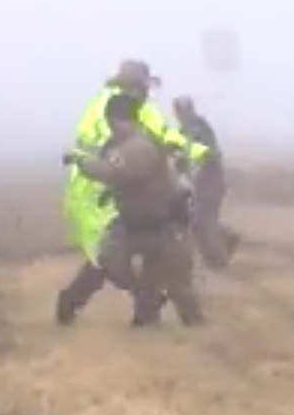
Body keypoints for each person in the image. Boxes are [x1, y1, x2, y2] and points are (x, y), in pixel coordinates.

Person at [57, 92, 202, 326]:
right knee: (105, 261)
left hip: (164, 224)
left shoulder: (138, 146)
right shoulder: (126, 145)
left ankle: (185, 326)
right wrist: (111, 192)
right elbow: (130, 180)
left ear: (117, 119)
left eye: (111, 123)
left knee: (177, 284)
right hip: (134, 221)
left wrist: (80, 161)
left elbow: (114, 173)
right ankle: (71, 303)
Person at [62, 59, 188, 270]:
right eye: (140, 87)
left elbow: (161, 144)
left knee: (117, 256)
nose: (144, 92)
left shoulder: (121, 110)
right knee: (113, 255)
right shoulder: (128, 112)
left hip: (123, 187)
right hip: (117, 183)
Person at [172, 95, 241, 268]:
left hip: (210, 179)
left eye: (183, 110)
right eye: (179, 111)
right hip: (199, 181)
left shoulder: (200, 128)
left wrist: (195, 169)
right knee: (198, 219)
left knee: (202, 220)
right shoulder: (184, 131)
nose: (180, 114)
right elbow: (180, 157)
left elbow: (209, 155)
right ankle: (226, 238)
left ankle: (218, 259)